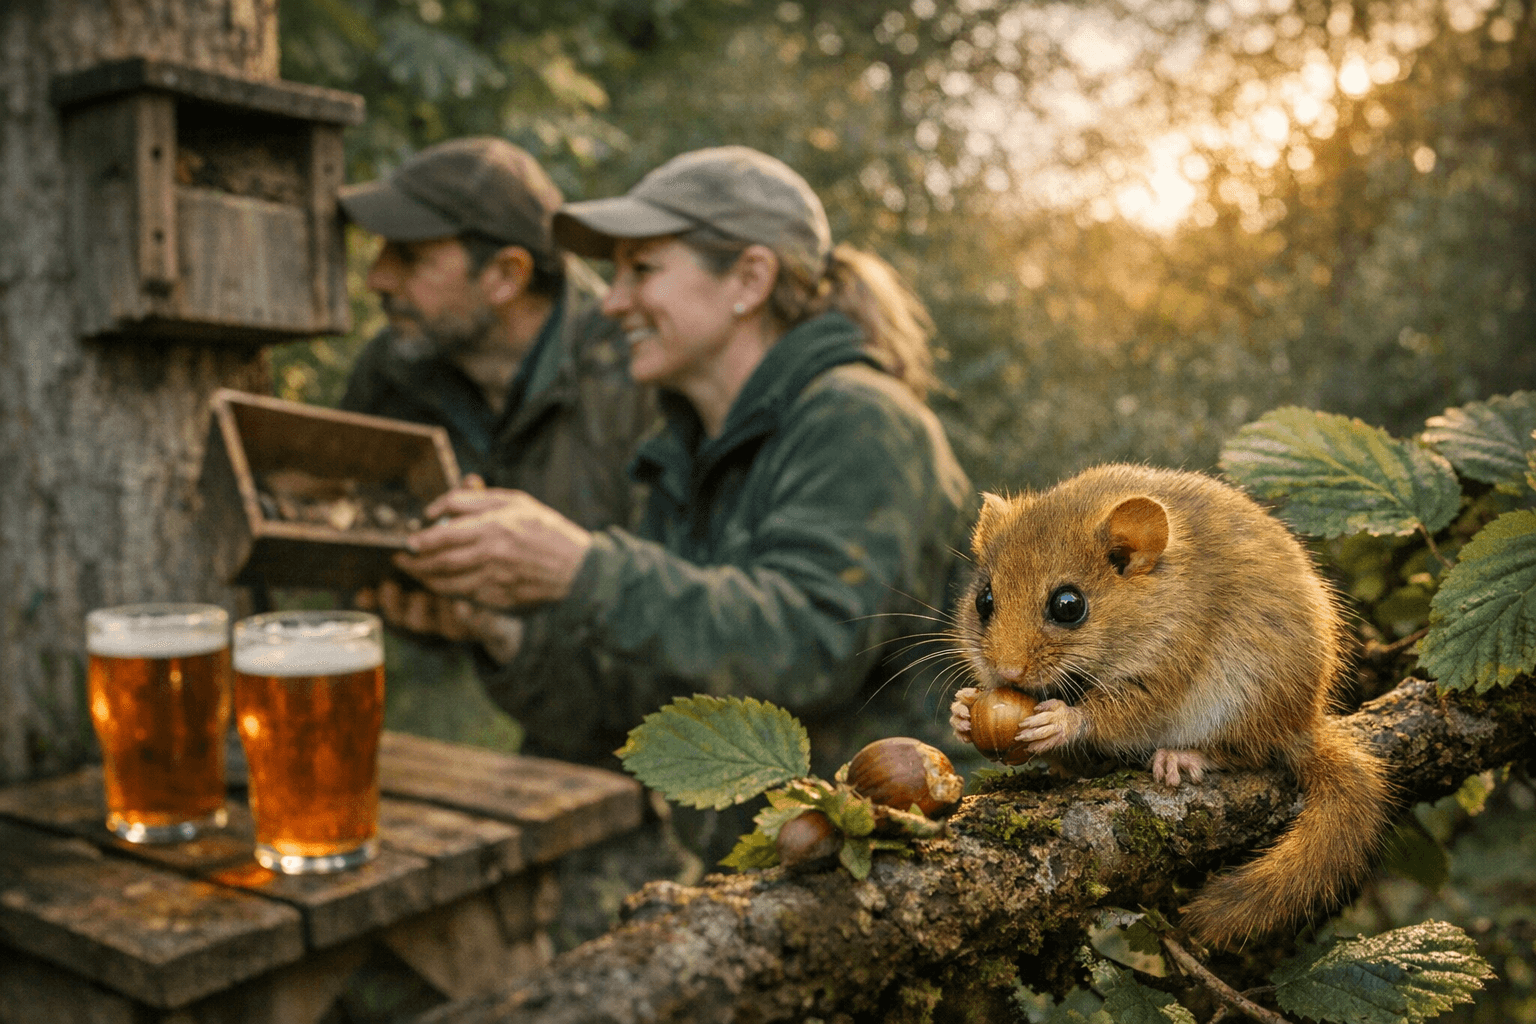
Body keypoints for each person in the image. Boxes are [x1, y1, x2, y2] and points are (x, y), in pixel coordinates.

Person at [389, 145, 975, 866]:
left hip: (905, 867)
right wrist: (499, 629)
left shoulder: (858, 420)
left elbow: (810, 644)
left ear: (749, 279)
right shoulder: (683, 454)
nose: (610, 302)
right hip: (779, 875)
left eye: (642, 270)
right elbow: (639, 708)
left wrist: (583, 569)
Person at [334, 137, 657, 744]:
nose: (377, 277)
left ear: (506, 275)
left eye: (408, 256)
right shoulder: (394, 369)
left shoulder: (641, 376)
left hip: (662, 754)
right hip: (487, 738)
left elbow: (669, 638)